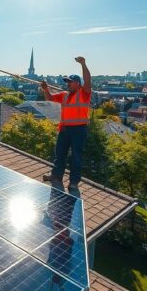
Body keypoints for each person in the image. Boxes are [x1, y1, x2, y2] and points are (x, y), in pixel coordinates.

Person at [41, 56, 92, 193]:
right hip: (64, 130)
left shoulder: (84, 93)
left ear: (77, 83)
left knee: (76, 157)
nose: (67, 84)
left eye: (70, 82)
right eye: (67, 82)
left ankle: (74, 183)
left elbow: (87, 80)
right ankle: (56, 176)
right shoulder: (64, 95)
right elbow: (50, 98)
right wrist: (45, 89)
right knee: (60, 154)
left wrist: (83, 64)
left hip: (79, 130)